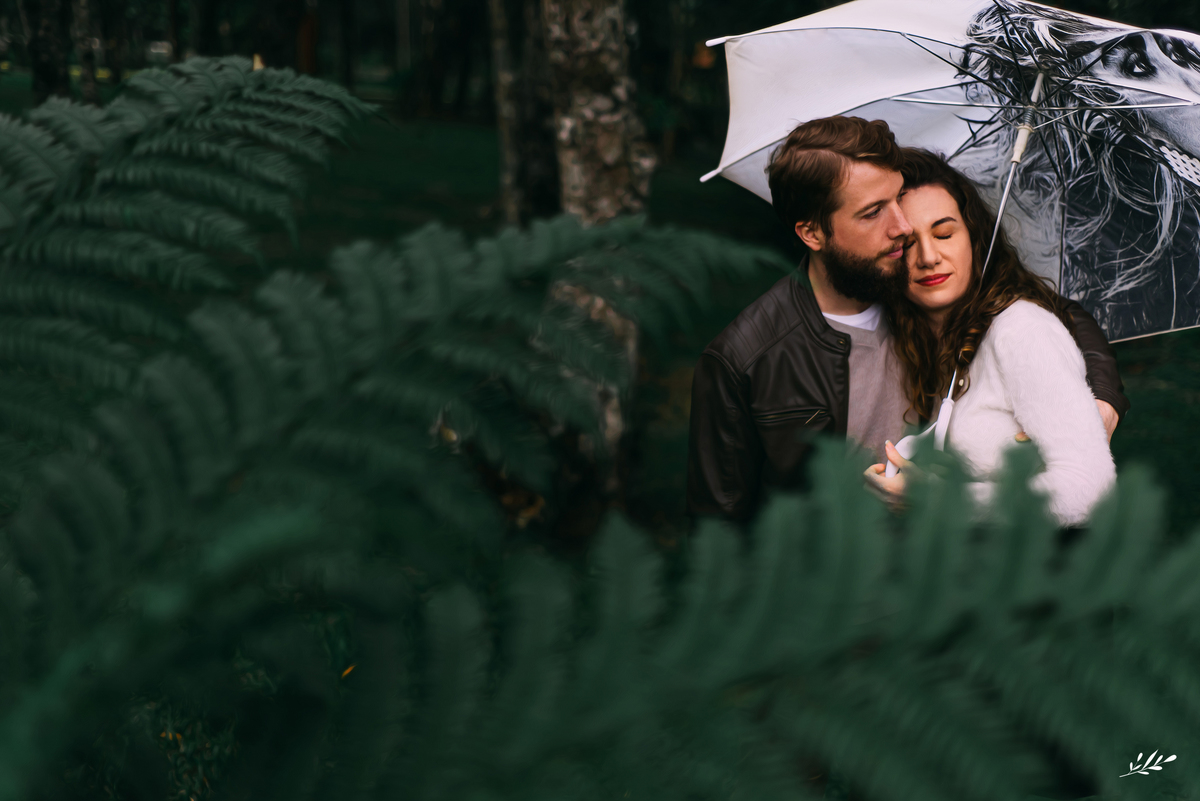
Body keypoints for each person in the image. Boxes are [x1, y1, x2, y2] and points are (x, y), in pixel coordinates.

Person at [686, 116, 1128, 524]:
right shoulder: (747, 357)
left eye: (899, 201)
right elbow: (719, 531)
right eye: (874, 211)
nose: (902, 231)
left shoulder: (934, 293)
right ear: (812, 232)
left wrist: (1101, 392)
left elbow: (1047, 315)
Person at [865, 150, 1116, 526]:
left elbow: (1089, 487)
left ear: (975, 239)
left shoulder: (1020, 330)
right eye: (908, 243)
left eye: (944, 232)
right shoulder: (927, 340)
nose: (929, 257)